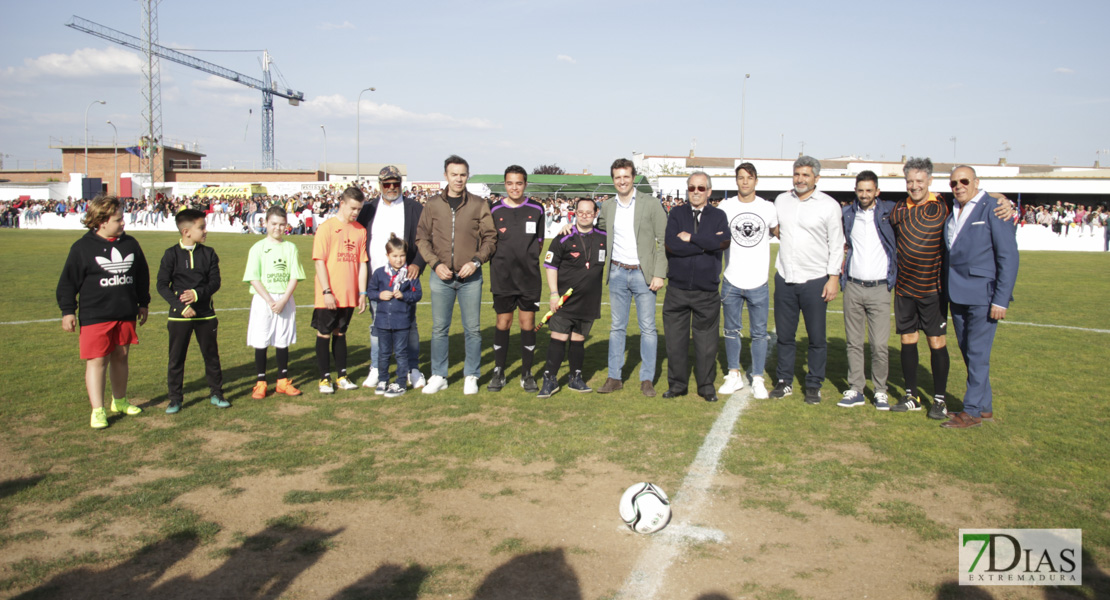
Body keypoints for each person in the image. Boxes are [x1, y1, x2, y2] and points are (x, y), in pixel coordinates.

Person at [56, 195, 150, 429]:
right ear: (102, 221)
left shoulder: (130, 244)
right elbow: (68, 283)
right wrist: (68, 311)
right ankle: (97, 410)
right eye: (118, 220)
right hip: (95, 315)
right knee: (98, 361)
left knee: (121, 356)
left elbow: (141, 275)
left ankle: (119, 401)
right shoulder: (82, 248)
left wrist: (143, 303)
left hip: (125, 313)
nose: (123, 223)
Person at [941, 166, 1019, 428]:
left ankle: (972, 411)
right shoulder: (951, 208)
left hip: (983, 295)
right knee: (968, 351)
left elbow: (1008, 256)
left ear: (976, 182)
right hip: (957, 293)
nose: (958, 186)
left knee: (977, 353)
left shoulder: (993, 208)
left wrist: (1000, 299)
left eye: (964, 181)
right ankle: (984, 406)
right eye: (953, 182)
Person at [415, 155, 497, 395]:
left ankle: (471, 375)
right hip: (440, 277)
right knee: (439, 328)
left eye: (462, 174)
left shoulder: (479, 204)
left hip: (470, 278)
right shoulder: (432, 204)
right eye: (454, 174)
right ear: (446, 176)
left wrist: (476, 261)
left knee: (472, 329)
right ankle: (439, 375)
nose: (458, 179)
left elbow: (490, 238)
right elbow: (422, 238)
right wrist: (434, 264)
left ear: (467, 175)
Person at [769, 156, 845, 405]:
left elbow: (837, 244)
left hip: (815, 280)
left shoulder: (829, 205)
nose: (800, 179)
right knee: (785, 336)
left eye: (806, 175)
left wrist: (833, 278)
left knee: (816, 338)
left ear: (816, 178)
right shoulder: (782, 200)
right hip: (785, 278)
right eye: (797, 174)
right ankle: (784, 381)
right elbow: (776, 228)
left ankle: (814, 384)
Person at [595, 158, 668, 397]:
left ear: (633, 177)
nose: (622, 181)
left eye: (626, 176)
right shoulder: (607, 207)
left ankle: (647, 379)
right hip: (617, 272)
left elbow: (664, 240)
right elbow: (597, 233)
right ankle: (614, 377)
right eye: (617, 177)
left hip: (643, 275)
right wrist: (571, 228)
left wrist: (659, 273)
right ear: (613, 179)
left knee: (647, 328)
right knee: (617, 327)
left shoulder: (651, 204)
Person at [356, 166, 427, 391]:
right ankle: (378, 368)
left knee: (410, 326)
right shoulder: (368, 209)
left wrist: (417, 264)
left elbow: (425, 240)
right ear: (380, 185)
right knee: (378, 326)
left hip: (405, 279)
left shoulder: (414, 208)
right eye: (387, 184)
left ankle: (412, 369)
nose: (392, 187)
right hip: (377, 279)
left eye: (396, 183)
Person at [661, 172, 729, 402]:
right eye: (692, 188)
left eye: (701, 188)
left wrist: (691, 238)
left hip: (706, 291)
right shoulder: (677, 213)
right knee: (675, 343)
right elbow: (671, 245)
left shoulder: (719, 215)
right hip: (677, 290)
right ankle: (677, 385)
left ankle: (706, 386)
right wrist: (704, 245)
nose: (696, 192)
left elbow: (722, 242)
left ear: (709, 191)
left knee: (707, 344)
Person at [717, 162, 778, 399]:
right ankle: (733, 374)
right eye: (741, 177)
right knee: (731, 330)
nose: (745, 181)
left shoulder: (767, 208)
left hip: (758, 282)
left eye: (749, 177)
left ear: (756, 181)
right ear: (736, 181)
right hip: (731, 279)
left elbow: (783, 232)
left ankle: (758, 378)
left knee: (759, 333)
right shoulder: (725, 206)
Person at [157, 208, 227, 412]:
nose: (206, 231)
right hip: (179, 317)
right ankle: (175, 398)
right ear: (186, 231)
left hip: (206, 314)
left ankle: (216, 393)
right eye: (201, 227)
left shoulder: (209, 253)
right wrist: (181, 307)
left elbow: (215, 282)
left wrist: (196, 295)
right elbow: (162, 285)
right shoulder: (171, 254)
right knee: (176, 358)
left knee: (211, 356)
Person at [837, 171, 896, 410]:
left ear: (877, 192)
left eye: (869, 190)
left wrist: (999, 198)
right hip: (852, 286)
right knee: (853, 343)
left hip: (880, 288)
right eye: (860, 190)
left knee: (879, 345)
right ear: (855, 190)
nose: (864, 194)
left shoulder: (889, 211)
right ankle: (856, 388)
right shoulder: (847, 214)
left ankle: (880, 390)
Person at [536, 199, 607, 398]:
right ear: (575, 212)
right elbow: (550, 266)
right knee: (558, 337)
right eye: (581, 212)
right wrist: (553, 293)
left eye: (588, 212)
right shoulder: (563, 236)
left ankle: (575, 378)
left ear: (595, 213)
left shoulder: (604, 237)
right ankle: (549, 379)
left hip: (589, 300)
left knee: (578, 339)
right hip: (564, 300)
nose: (584, 215)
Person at [488, 165, 545, 392]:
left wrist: (526, 260)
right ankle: (498, 371)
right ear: (505, 184)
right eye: (510, 183)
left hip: (529, 278)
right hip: (502, 277)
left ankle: (527, 374)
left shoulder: (537, 208)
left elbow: (539, 243)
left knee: (527, 323)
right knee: (503, 322)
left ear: (525, 184)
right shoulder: (493, 210)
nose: (514, 187)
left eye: (519, 183)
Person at [243, 205, 306, 400]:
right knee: (261, 339)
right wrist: (271, 300)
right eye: (274, 224)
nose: (278, 228)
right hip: (264, 299)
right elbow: (253, 277)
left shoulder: (290, 247)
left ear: (286, 225)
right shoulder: (258, 248)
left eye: (281, 224)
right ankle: (261, 383)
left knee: (282, 340)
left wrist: (283, 299)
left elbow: (295, 276)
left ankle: (282, 381)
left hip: (284, 298)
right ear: (265, 223)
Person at [311, 187, 369, 394]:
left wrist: (362, 293)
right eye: (353, 208)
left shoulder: (360, 230)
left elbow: (363, 264)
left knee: (341, 333)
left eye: (359, 209)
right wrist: (326, 291)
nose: (355, 212)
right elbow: (319, 262)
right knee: (324, 333)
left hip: (349, 294)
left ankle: (342, 376)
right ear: (342, 204)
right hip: (329, 294)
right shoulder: (326, 228)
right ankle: (324, 379)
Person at [368, 234, 423, 398]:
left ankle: (400, 382)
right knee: (383, 353)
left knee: (400, 353)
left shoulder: (410, 274)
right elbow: (370, 292)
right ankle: (383, 380)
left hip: (402, 322)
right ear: (387, 256)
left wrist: (404, 296)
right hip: (383, 321)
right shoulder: (379, 273)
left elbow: (417, 295)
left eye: (402, 256)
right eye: (395, 256)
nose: (399, 260)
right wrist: (380, 294)